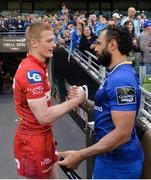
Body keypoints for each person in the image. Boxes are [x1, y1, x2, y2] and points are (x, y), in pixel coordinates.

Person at [58, 25, 144, 179]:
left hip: (118, 166)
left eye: (98, 43)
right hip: (108, 159)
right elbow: (105, 111)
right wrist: (83, 101)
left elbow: (122, 133)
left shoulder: (122, 80)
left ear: (112, 45)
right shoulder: (115, 74)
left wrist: (80, 155)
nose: (95, 48)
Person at [13, 22, 85, 179]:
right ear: (34, 43)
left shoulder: (37, 67)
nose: (54, 44)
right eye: (49, 41)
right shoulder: (31, 72)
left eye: (54, 39)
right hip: (34, 141)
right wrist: (76, 101)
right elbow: (43, 116)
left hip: (43, 136)